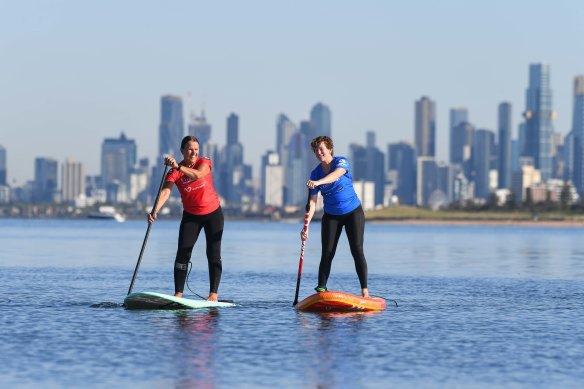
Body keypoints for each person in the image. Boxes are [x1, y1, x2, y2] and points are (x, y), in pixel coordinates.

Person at [148, 135, 224, 302]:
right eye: (190, 149)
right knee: (183, 253)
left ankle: (213, 295)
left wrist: (178, 167)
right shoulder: (174, 172)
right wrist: (154, 210)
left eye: (196, 149)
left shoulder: (204, 162)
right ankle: (178, 295)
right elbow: (166, 192)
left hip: (213, 214)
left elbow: (198, 175)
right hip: (191, 216)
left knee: (213, 254)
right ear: (182, 151)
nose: (194, 152)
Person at [301, 135, 370, 298]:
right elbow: (312, 203)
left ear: (330, 149)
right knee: (327, 252)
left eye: (321, 149)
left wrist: (317, 183)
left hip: (353, 213)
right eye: (316, 150)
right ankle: (321, 290)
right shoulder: (315, 173)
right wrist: (306, 227)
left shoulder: (341, 162)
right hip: (331, 216)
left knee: (357, 250)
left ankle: (365, 292)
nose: (319, 153)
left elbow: (336, 175)